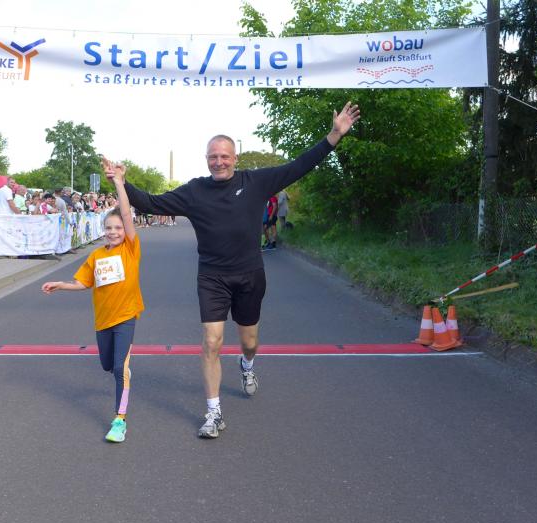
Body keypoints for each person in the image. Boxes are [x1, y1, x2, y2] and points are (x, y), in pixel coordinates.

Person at [122, 101, 360, 438]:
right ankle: (213, 413)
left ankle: (247, 364)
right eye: (212, 157)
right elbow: (151, 202)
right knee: (212, 341)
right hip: (212, 277)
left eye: (224, 156)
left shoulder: (256, 182)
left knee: (249, 341)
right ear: (206, 159)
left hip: (249, 275)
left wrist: (334, 136)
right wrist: (122, 182)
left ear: (235, 158)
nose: (218, 161)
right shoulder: (195, 190)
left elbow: (300, 166)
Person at [41, 159, 144, 443]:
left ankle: (120, 420)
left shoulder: (130, 249)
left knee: (120, 369)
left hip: (126, 316)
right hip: (103, 320)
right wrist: (61, 285)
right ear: (103, 229)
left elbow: (125, 212)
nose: (114, 232)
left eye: (118, 228)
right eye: (109, 228)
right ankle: (121, 372)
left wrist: (119, 183)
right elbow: (83, 282)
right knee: (108, 366)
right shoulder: (96, 255)